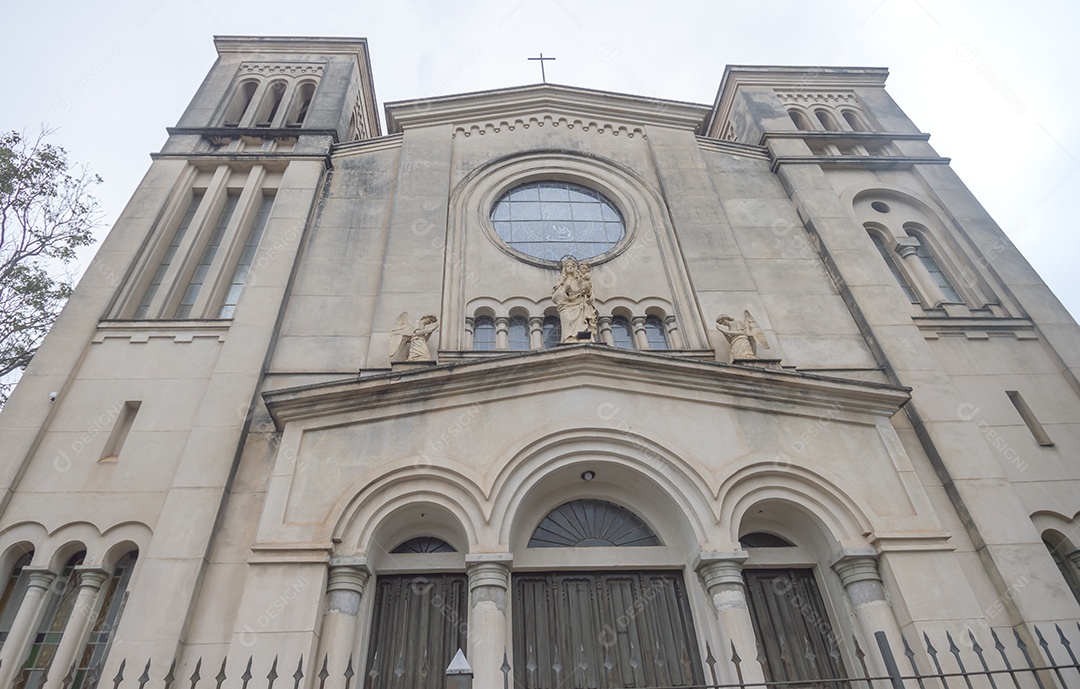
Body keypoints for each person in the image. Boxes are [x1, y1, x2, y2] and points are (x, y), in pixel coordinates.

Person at [552, 257, 597, 343]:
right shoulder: (561, 282)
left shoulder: (580, 280)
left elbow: (590, 297)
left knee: (582, 322)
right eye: (567, 266)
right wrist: (565, 291)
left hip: (579, 305)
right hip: (566, 306)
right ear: (564, 269)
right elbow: (555, 297)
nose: (570, 267)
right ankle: (569, 339)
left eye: (572, 265)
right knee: (568, 320)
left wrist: (587, 292)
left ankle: (582, 338)